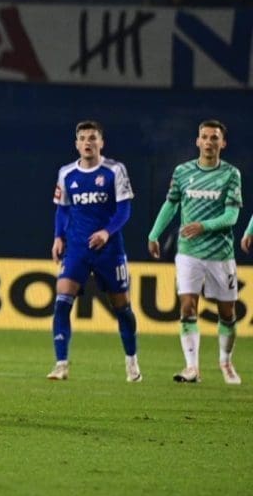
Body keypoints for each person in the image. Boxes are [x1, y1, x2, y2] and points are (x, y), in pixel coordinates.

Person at [147, 120, 243, 385]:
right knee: (187, 306)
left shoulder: (231, 174)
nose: (209, 142)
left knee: (227, 313)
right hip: (188, 253)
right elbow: (171, 205)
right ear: (197, 141)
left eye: (215, 138)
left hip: (220, 254)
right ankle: (192, 368)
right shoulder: (182, 172)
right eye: (205, 137)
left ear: (222, 143)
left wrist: (203, 226)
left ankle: (225, 361)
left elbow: (232, 216)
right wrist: (154, 234)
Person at [47, 120, 141, 382]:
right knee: (62, 302)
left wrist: (105, 232)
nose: (88, 142)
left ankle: (131, 360)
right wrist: (58, 237)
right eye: (83, 138)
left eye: (93, 138)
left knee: (122, 308)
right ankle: (61, 364)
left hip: (109, 250)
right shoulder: (66, 173)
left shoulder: (114, 170)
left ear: (102, 142)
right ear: (76, 144)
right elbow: (63, 209)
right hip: (76, 248)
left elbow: (124, 210)